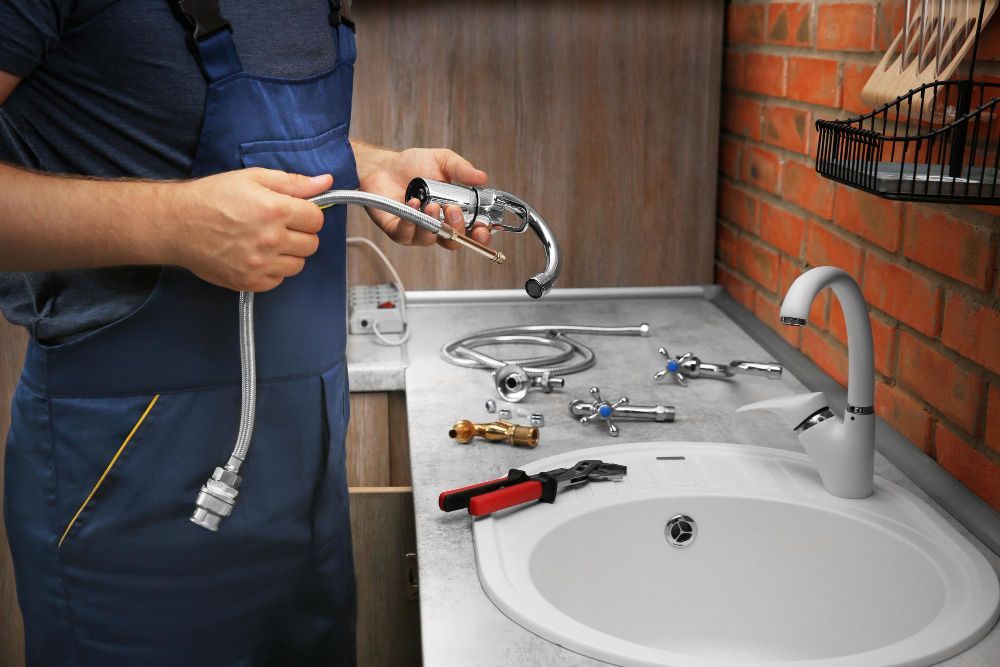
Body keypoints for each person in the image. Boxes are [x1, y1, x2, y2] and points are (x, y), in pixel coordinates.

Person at [0, 1, 490, 665]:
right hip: (128, 501)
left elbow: (152, 118)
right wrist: (169, 224)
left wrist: (364, 166)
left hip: (304, 494)